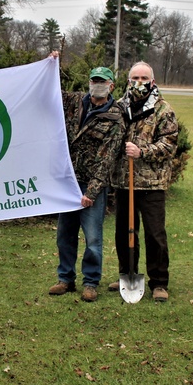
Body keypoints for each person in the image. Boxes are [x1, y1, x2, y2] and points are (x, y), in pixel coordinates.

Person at [48, 65, 125, 302]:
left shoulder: (115, 117)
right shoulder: (75, 103)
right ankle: (65, 279)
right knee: (65, 234)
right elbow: (48, 89)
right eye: (94, 80)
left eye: (102, 81)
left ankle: (91, 282)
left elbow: (107, 158)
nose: (97, 84)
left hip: (91, 185)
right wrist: (52, 64)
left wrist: (91, 191)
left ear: (111, 85)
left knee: (92, 238)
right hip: (68, 183)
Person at [108, 62, 180, 302]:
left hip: (151, 184)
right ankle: (126, 273)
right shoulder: (118, 107)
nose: (139, 82)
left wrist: (142, 151)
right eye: (135, 77)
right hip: (123, 182)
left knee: (155, 234)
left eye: (144, 77)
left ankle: (159, 282)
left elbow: (169, 144)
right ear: (128, 81)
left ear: (153, 81)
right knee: (124, 232)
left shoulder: (163, 110)